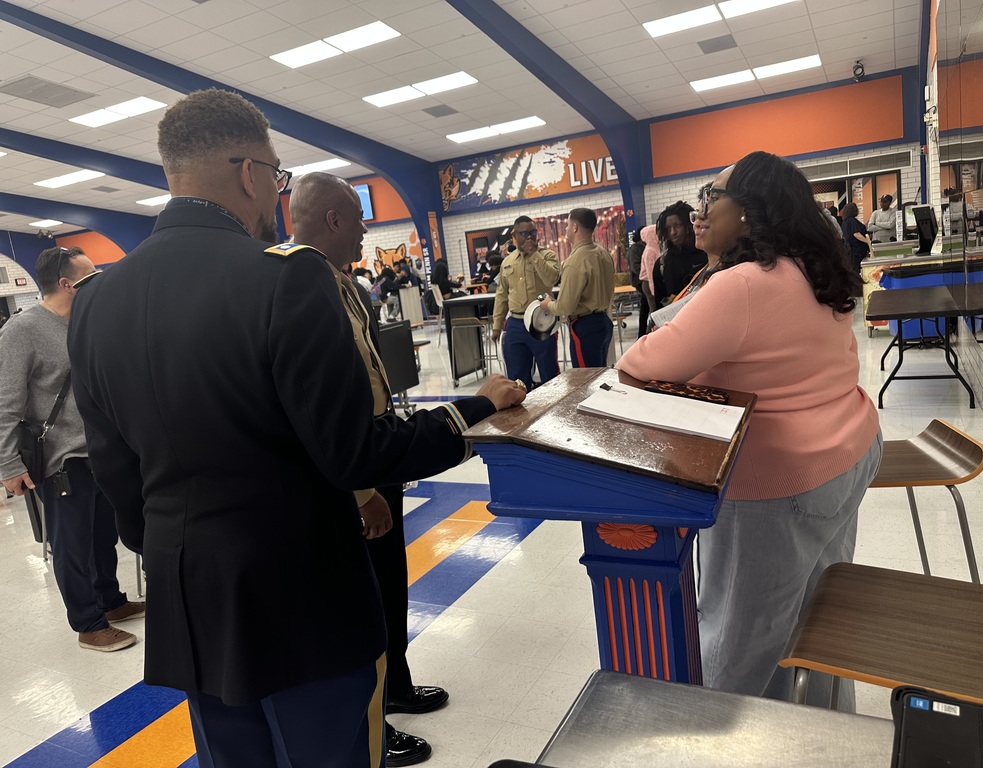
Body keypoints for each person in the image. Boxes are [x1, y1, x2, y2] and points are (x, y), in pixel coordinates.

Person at [66, 88, 526, 768]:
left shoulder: (97, 299)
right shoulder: (285, 279)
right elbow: (352, 453)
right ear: (250, 172)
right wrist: (472, 409)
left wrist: (169, 544)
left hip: (191, 595)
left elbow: (112, 464)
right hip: (301, 592)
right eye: (276, 178)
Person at [617, 151, 881, 711]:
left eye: (714, 196)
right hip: (846, 454)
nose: (699, 210)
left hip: (778, 483)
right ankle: (823, 729)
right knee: (815, 615)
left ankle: (734, 738)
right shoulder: (809, 266)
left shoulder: (744, 284)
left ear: (753, 211)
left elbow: (640, 364)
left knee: (741, 639)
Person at [289, 172, 454, 766]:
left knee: (390, 584)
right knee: (366, 599)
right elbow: (321, 403)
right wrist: (361, 492)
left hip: (377, 451)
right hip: (351, 469)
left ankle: (399, 681)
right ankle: (375, 724)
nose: (364, 231)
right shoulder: (298, 285)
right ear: (333, 220)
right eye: (357, 220)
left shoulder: (342, 282)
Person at [0, 246, 144, 653]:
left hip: (98, 451)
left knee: (102, 537)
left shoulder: (86, 323)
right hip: (60, 457)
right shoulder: (22, 330)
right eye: (89, 274)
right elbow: (5, 402)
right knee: (72, 544)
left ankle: (110, 602)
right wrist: (8, 464)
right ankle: (88, 623)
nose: (97, 279)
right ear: (67, 283)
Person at [491, 216, 561, 391]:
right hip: (515, 323)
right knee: (516, 379)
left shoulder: (548, 255)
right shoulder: (507, 261)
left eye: (532, 232)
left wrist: (534, 255)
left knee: (549, 373)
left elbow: (551, 278)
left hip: (541, 321)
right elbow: (502, 295)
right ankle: (522, 417)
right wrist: (497, 325)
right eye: (524, 233)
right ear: (515, 235)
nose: (529, 237)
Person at [539, 208, 614, 368]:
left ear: (574, 227)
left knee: (585, 380)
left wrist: (547, 305)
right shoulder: (603, 254)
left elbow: (565, 307)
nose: (565, 229)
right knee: (599, 375)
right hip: (603, 322)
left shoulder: (575, 261)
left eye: (567, 225)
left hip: (585, 328)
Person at [651, 201, 707, 308]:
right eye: (668, 229)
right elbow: (658, 305)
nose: (673, 232)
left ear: (689, 225)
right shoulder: (662, 264)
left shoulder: (708, 255)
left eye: (678, 226)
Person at [624, 227, 648, 335]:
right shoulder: (635, 249)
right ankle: (642, 333)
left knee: (645, 307)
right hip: (641, 282)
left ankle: (643, 333)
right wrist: (648, 274)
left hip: (646, 280)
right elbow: (635, 267)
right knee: (645, 308)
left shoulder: (646, 246)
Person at [637, 224, 660, 335]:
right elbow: (651, 273)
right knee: (654, 312)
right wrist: (654, 290)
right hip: (649, 284)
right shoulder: (650, 251)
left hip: (652, 284)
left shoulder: (654, 249)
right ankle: (650, 335)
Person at [841, 203, 872, 275]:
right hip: (857, 250)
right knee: (858, 269)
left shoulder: (844, 222)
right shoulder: (852, 221)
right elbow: (856, 234)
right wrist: (868, 241)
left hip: (849, 249)